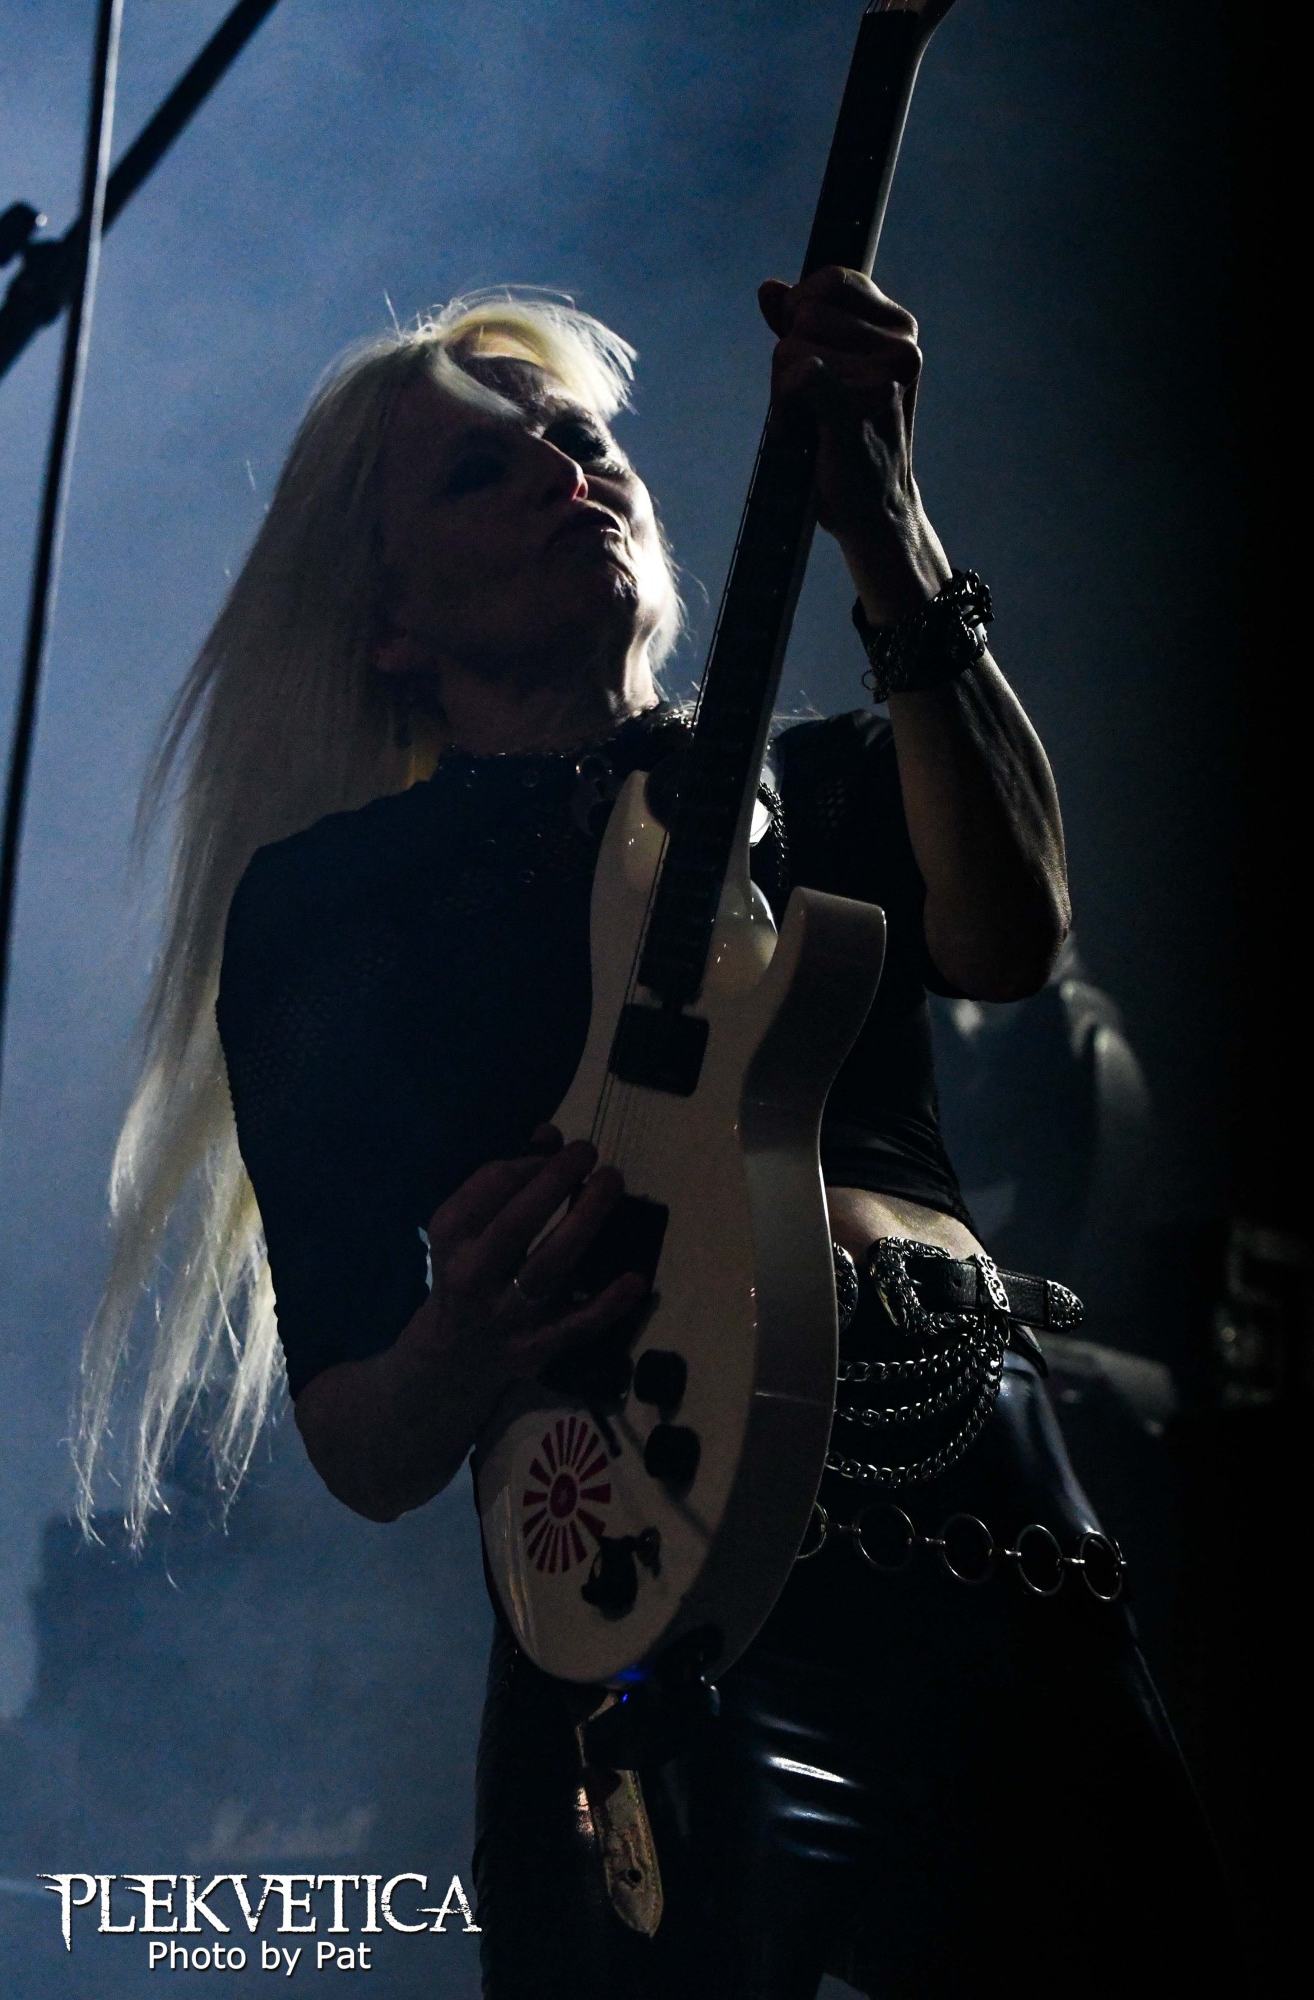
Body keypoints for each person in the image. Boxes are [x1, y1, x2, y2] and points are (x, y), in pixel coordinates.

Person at [77, 273, 1233, 1998]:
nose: (570, 473)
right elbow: (364, 1442)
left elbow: (1011, 935)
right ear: (386, 622)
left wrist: (888, 528)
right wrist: (463, 1341)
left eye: (583, 440)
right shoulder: (336, 906)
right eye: (484, 472)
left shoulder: (830, 777)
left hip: (963, 1515)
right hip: (628, 1579)